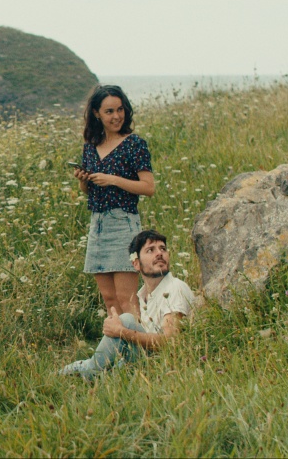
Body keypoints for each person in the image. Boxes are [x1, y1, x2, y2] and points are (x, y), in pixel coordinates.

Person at [59, 230, 195, 380]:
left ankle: (89, 371)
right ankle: (85, 369)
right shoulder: (143, 295)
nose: (159, 254)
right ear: (136, 264)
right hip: (145, 361)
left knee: (127, 320)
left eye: (163, 249)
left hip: (164, 364)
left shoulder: (175, 288)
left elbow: (170, 341)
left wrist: (121, 331)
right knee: (114, 361)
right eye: (150, 250)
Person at [74, 85, 155, 319]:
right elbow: (88, 191)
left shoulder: (134, 144)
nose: (117, 116)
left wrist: (113, 180)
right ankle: (118, 343)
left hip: (123, 223)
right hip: (98, 226)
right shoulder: (90, 147)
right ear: (97, 113)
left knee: (126, 299)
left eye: (120, 109)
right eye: (109, 111)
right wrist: (83, 181)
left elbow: (148, 188)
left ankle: (141, 342)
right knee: (110, 300)